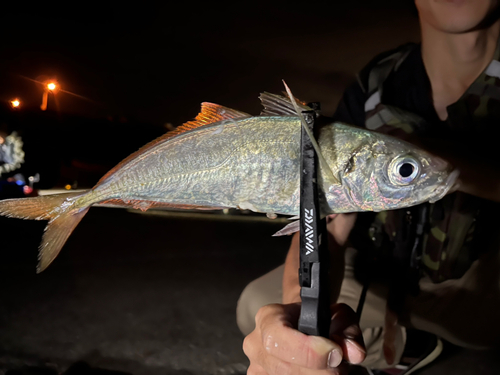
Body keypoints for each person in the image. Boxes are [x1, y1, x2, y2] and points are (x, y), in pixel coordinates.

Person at [237, 0, 500, 374]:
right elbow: (328, 221)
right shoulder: (378, 81)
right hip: (386, 277)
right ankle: (411, 345)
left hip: (478, 292)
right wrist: (303, 315)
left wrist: (436, 159)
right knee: (260, 306)